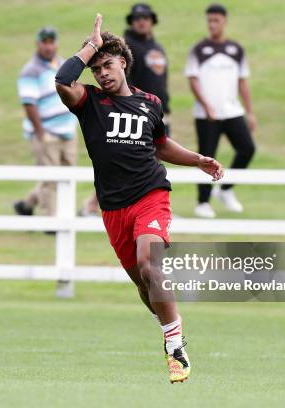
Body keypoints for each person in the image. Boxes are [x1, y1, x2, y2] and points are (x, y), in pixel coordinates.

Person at [55, 14, 224, 383]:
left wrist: (197, 160)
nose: (101, 73)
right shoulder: (89, 102)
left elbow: (160, 145)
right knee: (144, 286)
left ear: (124, 64)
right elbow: (62, 80)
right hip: (113, 208)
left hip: (151, 195)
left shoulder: (150, 103)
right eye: (96, 68)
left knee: (151, 265)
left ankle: (175, 345)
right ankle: (170, 321)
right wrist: (90, 47)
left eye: (107, 65)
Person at [185, 3, 257, 218]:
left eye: (216, 20)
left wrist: (250, 112)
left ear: (224, 21)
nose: (212, 24)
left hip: (232, 111)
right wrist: (207, 106)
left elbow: (243, 82)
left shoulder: (236, 50)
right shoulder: (198, 50)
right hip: (206, 115)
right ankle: (203, 201)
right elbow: (193, 79)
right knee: (207, 157)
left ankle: (225, 189)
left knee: (247, 149)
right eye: (209, 21)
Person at [14, 27, 80, 220]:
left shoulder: (62, 64)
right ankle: (52, 220)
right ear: (38, 44)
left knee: (68, 176)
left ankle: (26, 205)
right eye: (45, 42)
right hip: (46, 132)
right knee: (50, 179)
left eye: (52, 42)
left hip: (67, 131)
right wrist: (41, 133)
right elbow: (29, 104)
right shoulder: (31, 71)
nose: (49, 46)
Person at [123, 3, 171, 135]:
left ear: (152, 20)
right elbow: (124, 81)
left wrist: (165, 105)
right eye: (137, 18)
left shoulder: (157, 46)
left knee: (165, 154)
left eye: (145, 17)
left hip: (160, 111)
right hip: (138, 112)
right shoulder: (126, 46)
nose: (141, 21)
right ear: (131, 22)